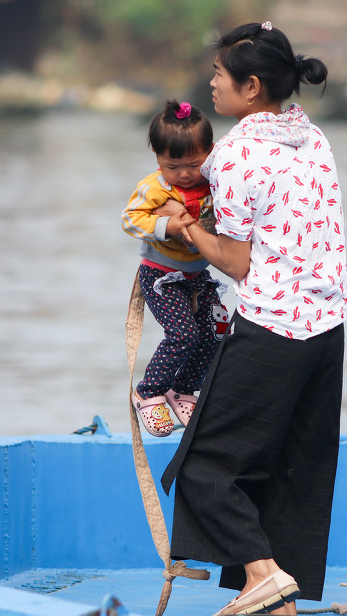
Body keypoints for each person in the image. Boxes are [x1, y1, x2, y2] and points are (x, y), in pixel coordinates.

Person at [160, 21, 347, 616]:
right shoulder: (310, 136)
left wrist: (187, 227)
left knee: (204, 465)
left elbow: (238, 261)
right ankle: (273, 598)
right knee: (293, 464)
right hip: (326, 328)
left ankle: (262, 575)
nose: (211, 83)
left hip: (273, 327)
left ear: (251, 86)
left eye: (219, 74)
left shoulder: (237, 152)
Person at [121, 100, 229, 437]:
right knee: (183, 335)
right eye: (173, 165)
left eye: (193, 164)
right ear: (157, 157)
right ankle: (149, 392)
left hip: (198, 275)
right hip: (161, 276)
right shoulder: (155, 188)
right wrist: (164, 226)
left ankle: (182, 390)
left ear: (210, 153)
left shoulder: (215, 183)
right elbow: (130, 219)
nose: (183, 173)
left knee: (218, 329)